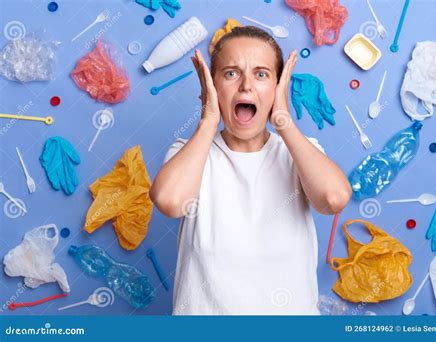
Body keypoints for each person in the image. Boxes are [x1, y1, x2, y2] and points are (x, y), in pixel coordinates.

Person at [149, 26, 352, 315]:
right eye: (231, 73)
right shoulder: (190, 153)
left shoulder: (299, 153)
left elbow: (333, 198)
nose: (246, 86)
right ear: (212, 86)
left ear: (278, 88)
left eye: (261, 74)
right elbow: (170, 201)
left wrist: (283, 119)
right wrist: (208, 119)